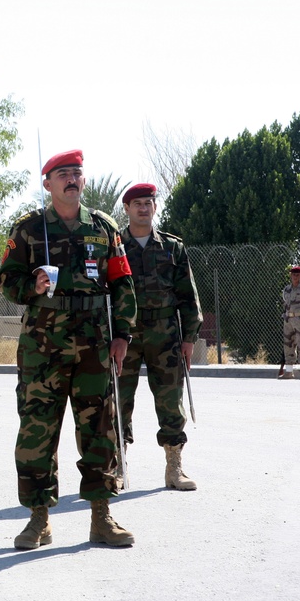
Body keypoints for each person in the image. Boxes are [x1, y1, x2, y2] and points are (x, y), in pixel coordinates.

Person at [0, 149, 137, 549]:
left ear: (84, 181)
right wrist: (31, 286)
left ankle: (101, 515)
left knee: (100, 430)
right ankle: (38, 519)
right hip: (44, 344)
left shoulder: (104, 228)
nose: (71, 180)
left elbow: (122, 284)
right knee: (38, 429)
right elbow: (6, 279)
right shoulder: (28, 228)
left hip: (95, 342)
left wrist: (123, 335)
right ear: (48, 184)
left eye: (77, 173)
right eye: (63, 174)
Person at [118, 183, 201, 492]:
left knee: (170, 399)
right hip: (123, 334)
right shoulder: (113, 246)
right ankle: (117, 463)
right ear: (126, 208)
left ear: (155, 207)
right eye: (136, 203)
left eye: (148, 202)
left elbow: (187, 297)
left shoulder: (172, 247)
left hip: (165, 333)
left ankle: (174, 466)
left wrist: (189, 338)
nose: (143, 207)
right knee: (119, 399)